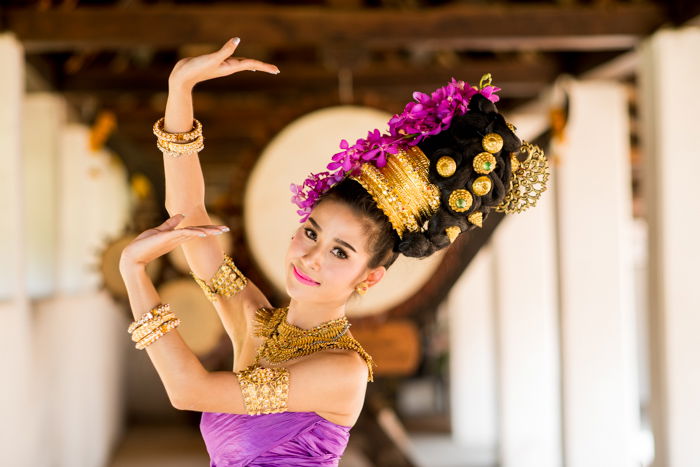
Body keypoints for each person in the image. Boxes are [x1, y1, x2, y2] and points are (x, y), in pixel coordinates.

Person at [119, 37, 548, 466]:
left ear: (370, 277)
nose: (310, 257)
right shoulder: (257, 326)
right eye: (311, 232)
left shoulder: (344, 370)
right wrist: (180, 90)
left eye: (340, 253)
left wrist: (135, 274)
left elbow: (189, 390)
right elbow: (188, 215)